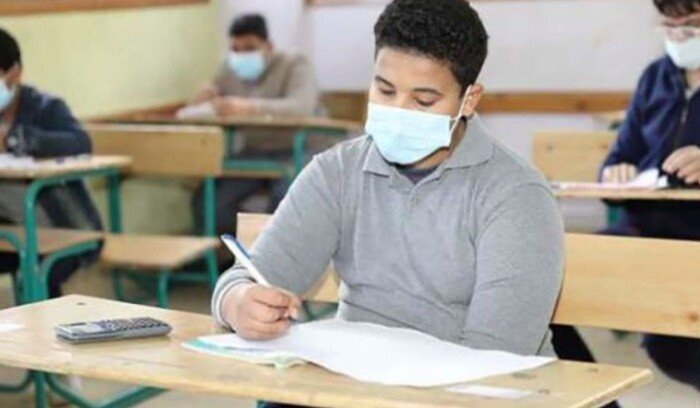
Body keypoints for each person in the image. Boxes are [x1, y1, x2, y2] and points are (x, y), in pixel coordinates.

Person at [213, 2, 564, 406]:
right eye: (384, 89)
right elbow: (246, 279)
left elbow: (493, 358)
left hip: (468, 393)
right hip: (354, 386)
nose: (397, 111)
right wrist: (238, 304)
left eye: (424, 100)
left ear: (469, 100)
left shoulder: (515, 195)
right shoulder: (337, 172)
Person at [555, 0, 700, 392]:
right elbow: (620, 156)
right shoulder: (655, 78)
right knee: (548, 285)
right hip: (643, 232)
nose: (679, 36)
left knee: (676, 351)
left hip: (693, 241)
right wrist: (615, 173)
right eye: (669, 25)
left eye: (691, 26)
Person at [188, 13, 323, 246]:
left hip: (302, 149)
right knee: (208, 203)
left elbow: (300, 107)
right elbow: (203, 106)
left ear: (268, 46)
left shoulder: (295, 64)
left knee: (285, 202)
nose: (242, 55)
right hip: (256, 151)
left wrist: (249, 107)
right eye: (235, 49)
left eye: (250, 48)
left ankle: (275, 259)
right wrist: (200, 99)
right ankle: (236, 255)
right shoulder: (229, 69)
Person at [0, 28, 102, 299]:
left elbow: (80, 143)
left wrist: (14, 139)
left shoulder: (45, 108)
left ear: (14, 73)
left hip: (66, 228)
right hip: (12, 232)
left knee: (41, 273)